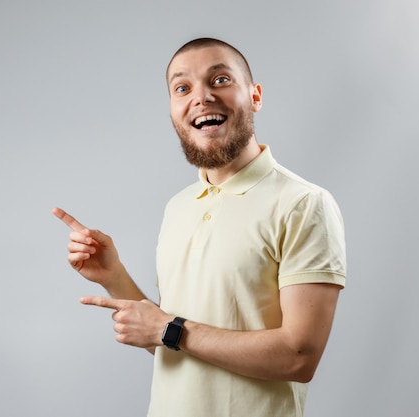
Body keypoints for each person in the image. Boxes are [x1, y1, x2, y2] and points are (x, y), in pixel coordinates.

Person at [52, 37, 346, 417]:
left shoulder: (304, 204)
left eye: (220, 80)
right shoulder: (178, 207)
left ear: (255, 96)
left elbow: (298, 358)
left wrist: (170, 329)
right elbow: (169, 338)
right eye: (182, 87)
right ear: (173, 110)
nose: (201, 97)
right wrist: (114, 276)